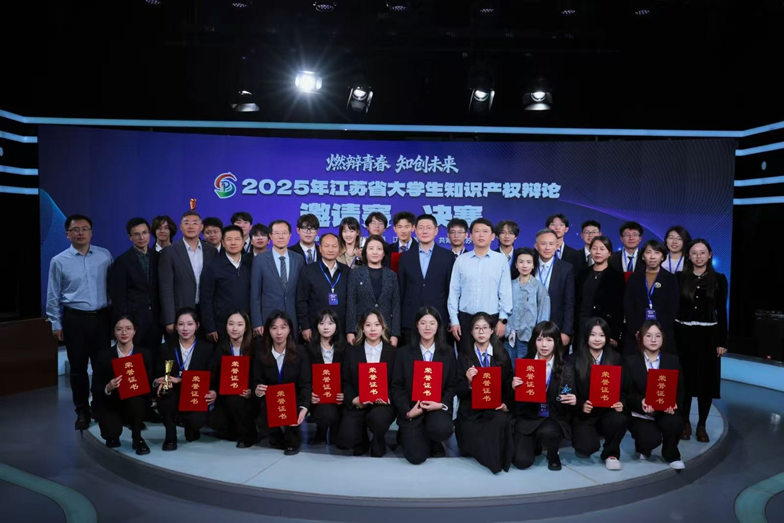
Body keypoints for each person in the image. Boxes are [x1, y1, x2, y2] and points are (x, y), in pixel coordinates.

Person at [46, 214, 113, 430]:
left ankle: (100, 406)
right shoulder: (59, 261)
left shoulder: (104, 255)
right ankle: (82, 410)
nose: (81, 233)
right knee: (78, 368)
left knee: (102, 366)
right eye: (75, 229)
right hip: (75, 319)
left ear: (91, 232)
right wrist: (55, 323)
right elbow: (53, 295)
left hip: (102, 318)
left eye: (85, 229)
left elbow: (113, 288)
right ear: (67, 234)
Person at [675, 239, 728, 443]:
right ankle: (685, 423)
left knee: (706, 383)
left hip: (709, 337)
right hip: (684, 335)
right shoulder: (680, 278)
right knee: (686, 382)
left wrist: (722, 342)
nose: (698, 256)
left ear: (710, 255)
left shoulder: (719, 279)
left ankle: (702, 426)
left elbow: (722, 311)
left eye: (702, 252)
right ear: (688, 256)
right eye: (694, 253)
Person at [391, 307, 458, 464]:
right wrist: (408, 412)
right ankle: (408, 433)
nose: (427, 327)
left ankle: (434, 439)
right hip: (413, 409)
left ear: (438, 326)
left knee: (442, 429)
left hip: (436, 408)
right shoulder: (403, 353)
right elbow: (397, 386)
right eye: (423, 323)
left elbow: (452, 385)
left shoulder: (447, 353)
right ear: (416, 325)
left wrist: (440, 404)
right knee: (417, 457)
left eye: (432, 323)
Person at [454, 312, 514, 474]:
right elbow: (457, 390)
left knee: (501, 421)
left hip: (493, 409)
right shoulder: (464, 356)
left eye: (485, 328)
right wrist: (468, 381)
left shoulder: (502, 354)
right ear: (471, 332)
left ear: (492, 330)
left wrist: (505, 404)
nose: (481, 332)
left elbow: (508, 384)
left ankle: (494, 458)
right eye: (477, 328)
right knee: (471, 443)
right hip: (471, 411)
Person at [512, 321, 576, 471]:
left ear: (556, 342)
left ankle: (553, 454)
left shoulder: (565, 368)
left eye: (549, 340)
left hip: (551, 417)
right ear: (534, 341)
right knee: (521, 462)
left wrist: (573, 400)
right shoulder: (524, 364)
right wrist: (513, 388)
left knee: (548, 432)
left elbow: (567, 401)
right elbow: (514, 402)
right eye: (539, 339)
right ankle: (534, 444)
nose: (544, 345)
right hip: (528, 417)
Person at [623, 320, 686, 470]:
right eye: (648, 335)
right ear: (640, 338)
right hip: (641, 412)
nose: (653, 340)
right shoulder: (630, 361)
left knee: (675, 423)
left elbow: (680, 390)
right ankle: (642, 447)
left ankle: (671, 454)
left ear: (663, 338)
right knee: (649, 440)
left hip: (665, 410)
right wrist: (641, 402)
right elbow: (626, 392)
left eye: (657, 336)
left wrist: (675, 403)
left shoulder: (673, 361)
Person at [154, 308, 217, 451]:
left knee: (197, 420)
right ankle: (170, 436)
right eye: (181, 324)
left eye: (190, 324)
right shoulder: (166, 348)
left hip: (195, 392)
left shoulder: (207, 349)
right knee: (164, 396)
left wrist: (213, 391)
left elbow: (211, 376)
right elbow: (158, 373)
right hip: (173, 392)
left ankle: (190, 427)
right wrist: (159, 381)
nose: (185, 328)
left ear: (197, 325)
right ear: (175, 326)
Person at [448, 218, 513, 356]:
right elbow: (454, 292)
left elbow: (505, 292)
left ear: (493, 236)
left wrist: (502, 320)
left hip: (492, 319)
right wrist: (454, 320)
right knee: (465, 359)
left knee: (491, 360)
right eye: (477, 231)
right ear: (470, 236)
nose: (481, 235)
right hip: (465, 319)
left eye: (485, 231)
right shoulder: (461, 260)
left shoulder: (500, 260)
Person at [569, 318, 627, 471]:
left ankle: (611, 454)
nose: (597, 339)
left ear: (607, 337)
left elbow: (623, 388)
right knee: (585, 448)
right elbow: (568, 390)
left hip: (607, 411)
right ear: (586, 336)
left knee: (619, 419)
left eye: (601, 335)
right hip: (584, 413)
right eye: (592, 334)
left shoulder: (615, 358)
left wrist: (621, 402)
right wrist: (581, 404)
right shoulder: (574, 359)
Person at [340, 310, 398, 457]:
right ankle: (362, 440)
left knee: (378, 419)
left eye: (377, 325)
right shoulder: (352, 351)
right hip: (359, 401)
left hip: (383, 404)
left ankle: (378, 439)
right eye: (368, 325)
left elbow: (397, 382)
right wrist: (354, 399)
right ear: (362, 328)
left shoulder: (393, 352)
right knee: (346, 438)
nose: (372, 329)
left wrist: (388, 397)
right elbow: (346, 381)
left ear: (383, 327)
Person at [91, 315, 152, 455]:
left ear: (134, 331)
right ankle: (114, 429)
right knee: (111, 435)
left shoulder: (144, 355)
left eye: (128, 328)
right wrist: (108, 387)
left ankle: (137, 437)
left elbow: (149, 383)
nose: (124, 332)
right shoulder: (103, 356)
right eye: (119, 329)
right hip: (111, 403)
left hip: (135, 403)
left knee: (137, 400)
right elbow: (95, 387)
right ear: (114, 332)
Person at [252, 311, 311, 455]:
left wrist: (304, 407)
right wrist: (257, 390)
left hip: (293, 399)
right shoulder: (261, 352)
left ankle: (292, 439)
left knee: (292, 437)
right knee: (262, 413)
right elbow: (256, 380)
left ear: (290, 329)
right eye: (274, 328)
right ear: (268, 330)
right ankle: (275, 436)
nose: (279, 332)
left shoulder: (300, 352)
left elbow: (306, 383)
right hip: (270, 399)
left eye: (283, 327)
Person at [397, 214, 454, 346]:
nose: (425, 231)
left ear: (436, 231)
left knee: (439, 356)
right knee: (410, 355)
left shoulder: (447, 257)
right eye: (421, 228)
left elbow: (451, 290)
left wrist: (451, 318)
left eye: (428, 228)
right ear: (415, 230)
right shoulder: (405, 257)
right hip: (411, 318)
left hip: (439, 318)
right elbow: (401, 290)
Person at [158, 211, 218, 336]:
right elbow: (166, 288)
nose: (191, 226)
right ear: (181, 227)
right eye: (186, 223)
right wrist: (170, 319)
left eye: (195, 223)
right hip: (180, 312)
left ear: (201, 227)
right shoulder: (169, 252)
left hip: (206, 312)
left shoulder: (211, 251)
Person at [109, 217, 161, 360]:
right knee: (135, 360)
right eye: (136, 234)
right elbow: (118, 296)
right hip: (134, 320)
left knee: (155, 359)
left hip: (157, 320)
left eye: (144, 233)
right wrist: (125, 323)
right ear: (130, 237)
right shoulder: (122, 262)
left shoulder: (158, 258)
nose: (141, 237)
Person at [210, 311, 258, 448]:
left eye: (239, 324)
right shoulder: (220, 348)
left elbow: (259, 374)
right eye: (231, 324)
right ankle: (236, 430)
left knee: (238, 399)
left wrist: (252, 390)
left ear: (246, 327)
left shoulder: (255, 348)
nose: (234, 328)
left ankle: (248, 435)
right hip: (226, 396)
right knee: (215, 419)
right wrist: (214, 391)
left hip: (250, 396)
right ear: (226, 326)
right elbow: (214, 374)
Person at [624, 240, 679, 355]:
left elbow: (672, 309)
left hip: (663, 333)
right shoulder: (634, 278)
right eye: (648, 252)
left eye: (657, 253)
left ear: (662, 257)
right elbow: (629, 306)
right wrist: (637, 330)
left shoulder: (670, 279)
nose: (652, 257)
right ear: (643, 256)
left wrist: (658, 333)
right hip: (637, 333)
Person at [250, 220, 304, 337]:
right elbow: (255, 295)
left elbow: (301, 293)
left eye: (284, 233)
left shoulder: (298, 259)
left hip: (292, 317)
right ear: (270, 235)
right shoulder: (260, 260)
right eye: (277, 233)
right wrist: (257, 322)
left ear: (290, 235)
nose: (281, 236)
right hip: (268, 317)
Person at [199, 225, 252, 343]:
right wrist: (210, 327)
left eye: (237, 239)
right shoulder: (212, 266)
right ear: (222, 242)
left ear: (243, 242)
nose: (233, 243)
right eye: (229, 239)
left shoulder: (250, 264)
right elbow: (206, 299)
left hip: (247, 326)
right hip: (221, 327)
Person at [345, 235, 401, 346]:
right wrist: (350, 331)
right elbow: (351, 303)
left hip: (386, 330)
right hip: (361, 329)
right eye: (371, 248)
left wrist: (395, 334)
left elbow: (396, 306)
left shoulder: (392, 275)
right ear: (365, 252)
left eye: (379, 249)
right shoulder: (355, 273)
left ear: (384, 253)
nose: (375, 252)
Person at [296, 233, 349, 342]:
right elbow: (301, 300)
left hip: (341, 327)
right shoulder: (308, 271)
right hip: (315, 327)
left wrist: (350, 330)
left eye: (334, 246)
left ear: (339, 249)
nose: (331, 249)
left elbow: (352, 302)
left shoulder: (347, 271)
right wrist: (305, 326)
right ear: (320, 248)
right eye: (327, 246)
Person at [306, 308, 347, 445]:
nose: (326, 327)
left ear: (337, 326)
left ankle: (336, 429)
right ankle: (321, 430)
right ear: (316, 326)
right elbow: (305, 377)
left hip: (339, 398)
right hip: (319, 399)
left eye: (330, 323)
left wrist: (345, 393)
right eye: (321, 323)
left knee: (342, 441)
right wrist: (310, 393)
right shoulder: (309, 349)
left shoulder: (345, 348)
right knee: (325, 415)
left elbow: (349, 376)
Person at [575, 236, 625, 346]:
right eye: (594, 248)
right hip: (582, 323)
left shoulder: (616, 276)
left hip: (603, 326)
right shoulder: (582, 274)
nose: (598, 252)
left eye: (602, 249)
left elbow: (619, 308)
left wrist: (615, 334)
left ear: (609, 253)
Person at [505, 247, 550, 368]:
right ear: (516, 264)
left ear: (533, 265)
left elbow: (543, 315)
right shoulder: (509, 285)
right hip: (509, 337)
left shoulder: (539, 287)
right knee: (508, 369)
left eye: (529, 262)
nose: (524, 265)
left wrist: (539, 336)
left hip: (529, 338)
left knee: (524, 370)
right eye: (521, 262)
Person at [533, 229, 575, 348]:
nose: (547, 248)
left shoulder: (566, 268)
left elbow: (569, 302)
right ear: (536, 246)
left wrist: (566, 331)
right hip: (530, 326)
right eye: (543, 243)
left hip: (555, 326)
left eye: (551, 244)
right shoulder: (529, 265)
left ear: (557, 246)